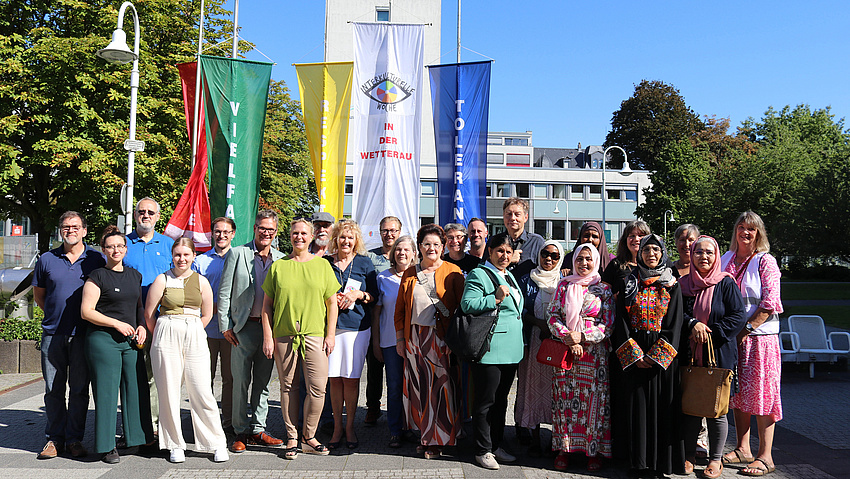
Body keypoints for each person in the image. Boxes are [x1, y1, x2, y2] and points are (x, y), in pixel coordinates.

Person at [260, 219, 341, 458]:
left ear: (312, 235)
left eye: (304, 233)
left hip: (315, 335)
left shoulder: (322, 266)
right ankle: (292, 437)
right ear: (290, 236)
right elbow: (267, 306)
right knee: (288, 388)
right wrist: (268, 335)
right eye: (295, 233)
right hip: (284, 336)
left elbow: (332, 303)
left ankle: (309, 436)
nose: (299, 237)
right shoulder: (279, 266)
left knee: (318, 389)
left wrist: (330, 334)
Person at [144, 238, 229, 463]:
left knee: (202, 390)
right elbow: (149, 314)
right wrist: (166, 331)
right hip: (166, 332)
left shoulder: (201, 281)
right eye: (178, 255)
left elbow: (208, 314)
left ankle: (216, 443)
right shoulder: (161, 279)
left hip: (194, 332)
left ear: (193, 256)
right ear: (172, 255)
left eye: (186, 255)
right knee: (169, 390)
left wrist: (191, 329)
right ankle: (174, 444)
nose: (182, 259)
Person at [32, 211, 105, 459]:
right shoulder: (47, 259)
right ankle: (54, 439)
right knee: (53, 389)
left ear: (84, 230)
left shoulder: (96, 259)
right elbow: (40, 295)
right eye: (65, 226)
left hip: (84, 335)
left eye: (75, 226)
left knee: (79, 389)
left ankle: (74, 439)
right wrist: (55, 315)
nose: (70, 230)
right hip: (53, 334)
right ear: (60, 230)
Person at [611, 234, 685, 477]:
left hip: (662, 359)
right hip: (634, 356)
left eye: (656, 250)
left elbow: (675, 325)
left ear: (663, 253)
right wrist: (635, 356)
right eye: (646, 250)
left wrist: (655, 357)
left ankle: (659, 465)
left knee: (662, 410)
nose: (651, 254)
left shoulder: (672, 285)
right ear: (639, 253)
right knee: (636, 410)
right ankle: (637, 463)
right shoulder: (629, 283)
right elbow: (620, 321)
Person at [81, 225, 154, 464]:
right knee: (107, 392)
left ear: (126, 248)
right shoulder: (97, 276)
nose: (116, 250)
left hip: (131, 339)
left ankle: (138, 440)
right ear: (103, 250)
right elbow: (86, 312)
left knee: (136, 388)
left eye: (120, 246)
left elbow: (139, 307)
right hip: (103, 340)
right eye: (110, 246)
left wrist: (142, 325)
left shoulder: (135, 275)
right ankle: (106, 446)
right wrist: (116, 324)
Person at [720, 211, 783, 477]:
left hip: (759, 339)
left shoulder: (765, 262)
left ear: (759, 234)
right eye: (741, 227)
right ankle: (743, 448)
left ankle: (765, 456)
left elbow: (769, 303)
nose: (745, 232)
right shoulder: (726, 259)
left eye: (752, 229)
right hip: (733, 338)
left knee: (763, 395)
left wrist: (745, 329)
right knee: (737, 394)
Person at [394, 224, 465, 459]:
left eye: (436, 244)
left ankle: (438, 439)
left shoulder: (453, 271)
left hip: (441, 339)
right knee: (420, 389)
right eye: (427, 244)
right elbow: (400, 310)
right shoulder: (410, 273)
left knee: (442, 388)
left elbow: (461, 309)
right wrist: (400, 340)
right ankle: (425, 435)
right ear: (420, 247)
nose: (431, 248)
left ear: (443, 247)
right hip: (415, 338)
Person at [218, 210, 286, 452]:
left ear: (275, 232)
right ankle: (239, 432)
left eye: (271, 229)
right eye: (262, 228)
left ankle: (258, 429)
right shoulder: (238, 254)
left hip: (269, 329)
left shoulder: (281, 259)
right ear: (255, 229)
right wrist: (225, 325)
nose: (266, 232)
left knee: (263, 383)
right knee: (240, 382)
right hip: (242, 328)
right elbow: (224, 292)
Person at [680, 235, 746, 478]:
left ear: (716, 255)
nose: (704, 257)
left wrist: (710, 333)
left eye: (709, 252)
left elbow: (738, 316)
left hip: (718, 352)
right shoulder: (684, 284)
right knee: (690, 407)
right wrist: (693, 324)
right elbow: (676, 314)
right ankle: (687, 455)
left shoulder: (726, 283)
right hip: (689, 354)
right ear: (692, 255)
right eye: (698, 252)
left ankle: (716, 459)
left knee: (717, 409)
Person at [460, 232, 525, 470]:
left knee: (501, 401)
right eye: (500, 251)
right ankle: (482, 450)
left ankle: (495, 445)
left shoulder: (509, 275)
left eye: (508, 252)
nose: (504, 255)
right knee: (485, 401)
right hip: (490, 348)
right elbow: (467, 304)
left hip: (511, 349)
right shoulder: (480, 274)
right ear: (490, 252)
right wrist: (494, 298)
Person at [548, 242, 615, 471]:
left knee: (593, 404)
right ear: (573, 260)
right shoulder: (564, 286)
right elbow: (552, 316)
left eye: (588, 259)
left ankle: (593, 452)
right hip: (566, 354)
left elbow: (608, 325)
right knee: (564, 402)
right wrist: (568, 336)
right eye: (579, 259)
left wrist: (582, 337)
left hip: (594, 356)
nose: (584, 263)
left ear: (595, 261)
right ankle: (563, 450)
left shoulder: (603, 289)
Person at [325, 219, 378, 449]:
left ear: (356, 240)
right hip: (331, 329)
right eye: (342, 237)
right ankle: (337, 427)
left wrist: (359, 295)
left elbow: (375, 296)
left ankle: (350, 427)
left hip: (357, 329)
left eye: (350, 237)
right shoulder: (325, 263)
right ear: (335, 239)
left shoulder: (366, 263)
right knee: (334, 379)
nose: (346, 241)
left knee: (352, 379)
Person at [124, 197, 174, 435]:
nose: (146, 215)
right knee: (131, 376)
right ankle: (132, 426)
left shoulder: (168, 245)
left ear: (157, 216)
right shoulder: (122, 244)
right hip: (128, 322)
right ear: (135, 215)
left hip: (160, 322)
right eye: (141, 212)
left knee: (156, 376)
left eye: (150, 212)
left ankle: (153, 425)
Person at [514, 240, 564, 457]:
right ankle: (534, 438)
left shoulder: (565, 282)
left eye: (554, 255)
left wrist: (554, 327)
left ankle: (557, 440)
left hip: (558, 342)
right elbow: (519, 308)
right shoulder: (526, 280)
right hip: (533, 342)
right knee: (531, 390)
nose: (549, 259)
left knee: (557, 392)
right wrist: (537, 322)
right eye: (545, 254)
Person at [372, 235, 416, 448]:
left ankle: (413, 427)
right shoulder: (382, 278)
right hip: (390, 341)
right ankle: (395, 430)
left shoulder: (419, 277)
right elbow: (377, 313)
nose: (402, 253)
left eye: (406, 250)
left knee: (415, 385)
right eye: (398, 249)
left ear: (414, 254)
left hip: (416, 341)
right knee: (395, 385)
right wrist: (376, 342)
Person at [193, 217, 236, 433]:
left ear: (233, 234)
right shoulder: (200, 262)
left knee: (229, 379)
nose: (222, 235)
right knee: (203, 378)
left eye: (226, 232)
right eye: (218, 231)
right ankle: (204, 422)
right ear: (212, 234)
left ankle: (228, 422)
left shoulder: (239, 259)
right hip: (205, 329)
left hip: (231, 330)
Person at [364, 216, 401, 425]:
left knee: (398, 374)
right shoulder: (369, 257)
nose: (390, 234)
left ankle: (399, 410)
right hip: (376, 321)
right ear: (380, 232)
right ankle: (373, 407)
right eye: (385, 230)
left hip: (400, 324)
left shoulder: (407, 255)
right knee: (375, 369)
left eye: (393, 230)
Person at [600, 219, 650, 291]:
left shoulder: (656, 264)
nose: (636, 239)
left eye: (640, 235)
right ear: (625, 240)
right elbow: (604, 292)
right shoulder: (615, 264)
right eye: (632, 236)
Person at [502, 197, 545, 278]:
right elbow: (484, 270)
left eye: (517, 214)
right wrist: (508, 260)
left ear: (526, 217)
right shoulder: (494, 241)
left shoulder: (537, 242)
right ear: (504, 216)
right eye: (509, 214)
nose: (513, 218)